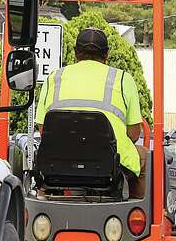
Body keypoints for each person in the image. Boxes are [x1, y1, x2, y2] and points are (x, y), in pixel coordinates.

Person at [36, 27, 147, 198]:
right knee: (143, 157)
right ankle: (136, 214)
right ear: (107, 54)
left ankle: (44, 197)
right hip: (111, 165)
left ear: (75, 52)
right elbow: (133, 134)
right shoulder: (123, 79)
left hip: (57, 165)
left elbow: (44, 130)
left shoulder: (53, 78)